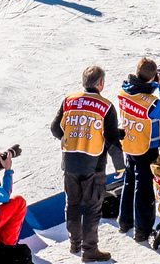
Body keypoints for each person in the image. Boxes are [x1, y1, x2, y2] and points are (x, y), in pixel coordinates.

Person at [52, 64, 122, 262]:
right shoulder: (106, 106)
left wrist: (75, 137)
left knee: (72, 204)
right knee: (92, 207)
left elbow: (56, 130)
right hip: (94, 165)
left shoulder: (69, 101)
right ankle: (89, 250)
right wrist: (120, 165)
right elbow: (112, 140)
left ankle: (74, 244)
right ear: (101, 84)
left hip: (70, 163)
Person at [116, 59, 160, 244]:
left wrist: (150, 84)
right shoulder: (150, 103)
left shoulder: (123, 91)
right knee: (144, 189)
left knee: (129, 182)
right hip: (146, 148)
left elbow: (136, 89)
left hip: (129, 144)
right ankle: (142, 230)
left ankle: (125, 221)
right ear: (152, 78)